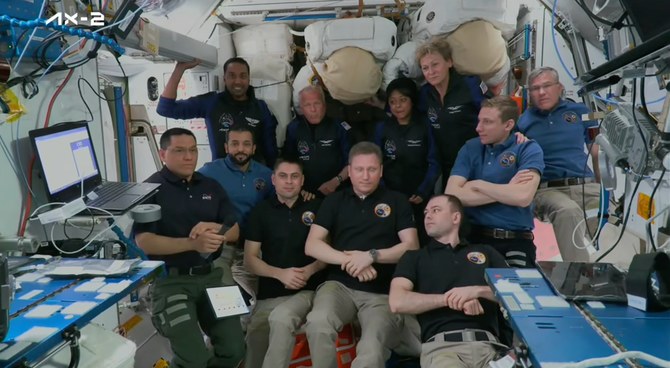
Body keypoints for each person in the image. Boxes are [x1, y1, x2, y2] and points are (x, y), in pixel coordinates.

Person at [133, 128, 245, 368]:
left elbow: (233, 230)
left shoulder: (210, 186)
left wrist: (216, 229)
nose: (189, 157)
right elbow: (144, 241)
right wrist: (192, 244)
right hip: (171, 282)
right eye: (180, 151)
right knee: (194, 360)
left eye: (193, 150)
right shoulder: (150, 189)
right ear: (163, 153)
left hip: (211, 277)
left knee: (234, 350)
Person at [304, 142, 419, 368]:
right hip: (339, 286)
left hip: (382, 292)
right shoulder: (334, 200)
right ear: (349, 170)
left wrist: (371, 256)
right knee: (317, 322)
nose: (365, 176)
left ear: (381, 171)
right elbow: (312, 245)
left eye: (372, 169)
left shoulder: (397, 201)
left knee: (371, 347)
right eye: (359, 169)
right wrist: (350, 260)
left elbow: (411, 246)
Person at [389, 194, 508, 368]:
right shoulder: (414, 257)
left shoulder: (486, 252)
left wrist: (476, 291)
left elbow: (519, 295)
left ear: (456, 217)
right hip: (443, 350)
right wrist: (451, 299)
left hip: (490, 348)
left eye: (436, 210)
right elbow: (397, 302)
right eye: (426, 212)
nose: (428, 216)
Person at [243, 158, 326, 368]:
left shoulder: (317, 207)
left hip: (308, 291)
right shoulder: (260, 212)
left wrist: (309, 270)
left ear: (302, 180)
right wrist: (280, 274)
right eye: (283, 176)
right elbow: (250, 260)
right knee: (256, 334)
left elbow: (328, 252)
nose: (289, 182)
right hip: (270, 293)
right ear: (273, 179)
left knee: (282, 319)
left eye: (294, 176)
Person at [445, 96, 544, 267]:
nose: (478, 128)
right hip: (475, 237)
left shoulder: (528, 149)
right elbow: (452, 195)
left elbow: (522, 197)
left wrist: (477, 184)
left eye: (487, 122)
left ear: (508, 125)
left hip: (515, 239)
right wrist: (508, 189)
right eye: (479, 121)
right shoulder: (470, 148)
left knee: (516, 290)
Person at [517, 66, 600, 262]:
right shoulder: (522, 122)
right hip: (547, 190)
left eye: (546, 86)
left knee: (615, 221)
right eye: (535, 88)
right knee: (567, 211)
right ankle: (582, 278)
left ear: (560, 87)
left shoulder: (583, 112)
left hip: (585, 184)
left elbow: (596, 150)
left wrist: (603, 187)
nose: (541, 92)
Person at [156, 57, 278, 166]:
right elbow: (165, 109)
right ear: (224, 79)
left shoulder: (261, 108)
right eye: (231, 76)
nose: (237, 81)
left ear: (248, 79)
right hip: (221, 179)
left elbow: (271, 152)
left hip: (254, 180)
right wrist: (180, 68)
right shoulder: (211, 102)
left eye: (242, 76)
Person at [199, 124, 273, 291]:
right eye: (234, 144)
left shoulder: (267, 175)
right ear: (226, 147)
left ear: (254, 148)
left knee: (249, 300)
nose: (241, 149)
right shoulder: (208, 172)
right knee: (222, 295)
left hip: (250, 248)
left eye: (246, 144)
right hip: (220, 246)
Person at [373, 77, 440, 244]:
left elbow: (434, 161)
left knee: (420, 241)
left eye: (403, 100)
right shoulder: (382, 127)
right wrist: (383, 190)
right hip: (389, 196)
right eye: (393, 101)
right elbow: (375, 162)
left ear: (412, 101)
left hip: (419, 197)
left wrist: (423, 191)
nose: (398, 106)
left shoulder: (426, 126)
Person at [416, 36, 489, 185]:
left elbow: (495, 113)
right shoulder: (425, 94)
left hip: (478, 162)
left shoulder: (470, 85)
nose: (431, 72)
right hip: (448, 166)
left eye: (435, 64)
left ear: (449, 62)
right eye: (425, 68)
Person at [284, 86, 352, 198]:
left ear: (324, 105)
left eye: (317, 103)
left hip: (337, 192)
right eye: (307, 105)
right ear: (301, 108)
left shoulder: (340, 128)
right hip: (304, 194)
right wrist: (298, 189)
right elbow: (287, 163)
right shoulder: (293, 128)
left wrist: (336, 181)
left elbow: (352, 163)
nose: (313, 109)